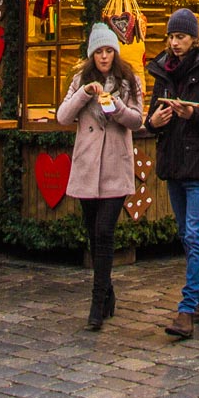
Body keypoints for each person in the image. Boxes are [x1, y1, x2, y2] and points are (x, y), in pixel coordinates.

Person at [145, 8, 199, 340]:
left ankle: (186, 310)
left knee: (195, 235)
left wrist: (193, 114)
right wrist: (152, 123)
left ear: (194, 38)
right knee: (186, 234)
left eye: (180, 37)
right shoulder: (163, 71)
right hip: (172, 161)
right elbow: (153, 115)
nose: (175, 43)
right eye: (171, 37)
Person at [55, 24, 144, 331]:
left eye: (109, 51)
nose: (104, 56)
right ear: (91, 54)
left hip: (115, 167)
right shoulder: (80, 79)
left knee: (105, 231)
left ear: (116, 53)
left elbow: (137, 119)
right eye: (99, 51)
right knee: (94, 233)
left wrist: (114, 104)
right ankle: (107, 292)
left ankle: (95, 303)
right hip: (87, 167)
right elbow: (63, 117)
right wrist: (84, 94)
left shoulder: (129, 80)